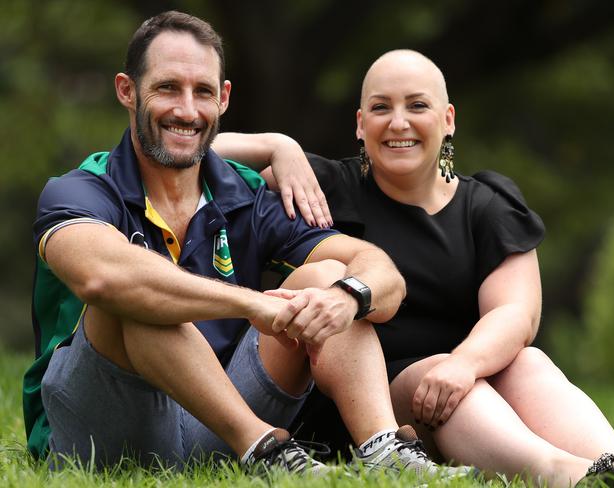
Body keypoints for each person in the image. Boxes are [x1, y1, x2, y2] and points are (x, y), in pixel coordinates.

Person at [22, 15, 474, 479]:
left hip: (214, 424)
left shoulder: (247, 195)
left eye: (202, 91)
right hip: (104, 430)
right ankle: (262, 450)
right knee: (135, 292)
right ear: (127, 90)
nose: (186, 109)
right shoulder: (80, 189)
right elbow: (103, 277)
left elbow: (383, 275)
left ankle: (385, 453)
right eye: (167, 89)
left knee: (329, 278)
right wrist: (254, 306)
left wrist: (347, 297)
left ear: (223, 99)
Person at [213, 49, 614, 486]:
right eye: (381, 108)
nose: (398, 122)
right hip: (360, 407)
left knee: (527, 362)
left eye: (417, 105)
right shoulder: (322, 186)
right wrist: (276, 145)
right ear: (361, 124)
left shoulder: (488, 206)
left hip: (458, 378)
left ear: (448, 119)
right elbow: (188, 154)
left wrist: (464, 364)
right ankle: (559, 474)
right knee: (444, 379)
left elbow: (516, 314)